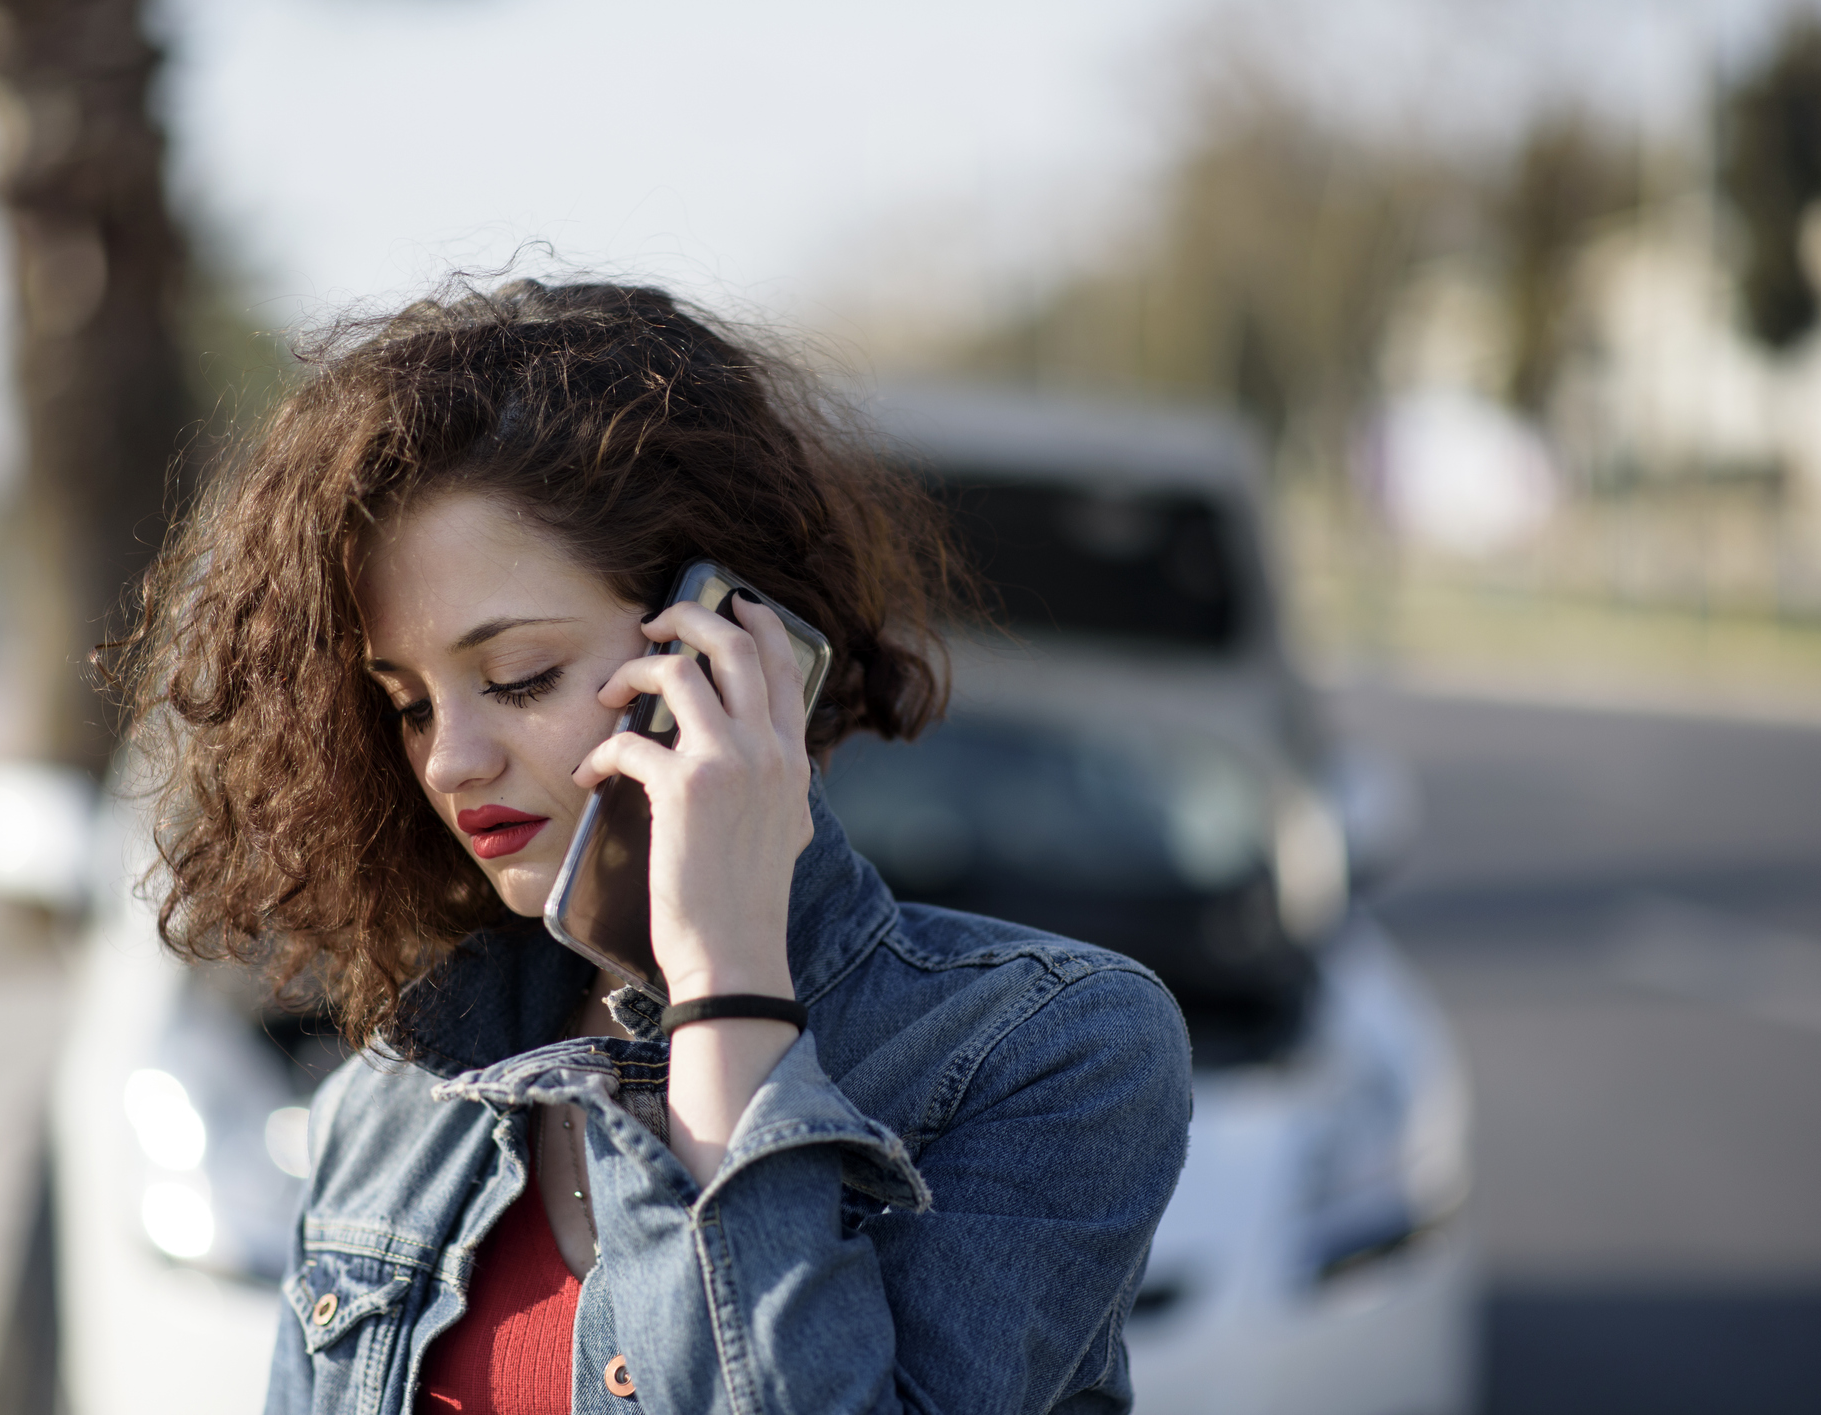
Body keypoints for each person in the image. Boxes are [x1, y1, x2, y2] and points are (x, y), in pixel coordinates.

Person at [113, 279, 1191, 1415]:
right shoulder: (389, 1105)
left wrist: (719, 989)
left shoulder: (1054, 1051)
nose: (448, 761)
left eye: (518, 675)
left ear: (727, 651)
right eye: (410, 702)